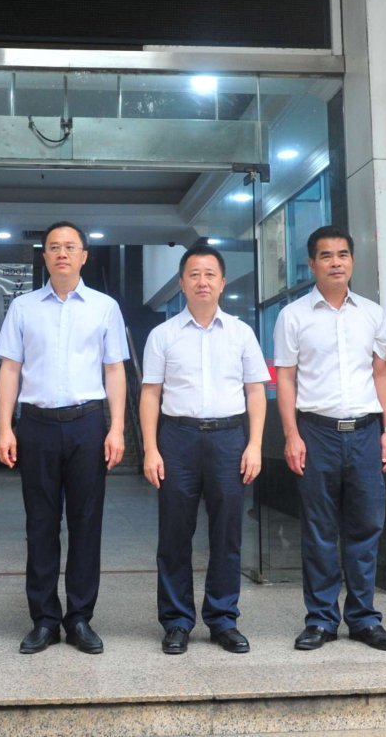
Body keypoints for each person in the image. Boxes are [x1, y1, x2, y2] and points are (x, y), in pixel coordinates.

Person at [0, 221, 128, 655]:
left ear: (84, 256)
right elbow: (10, 368)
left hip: (88, 424)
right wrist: (4, 427)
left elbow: (114, 370)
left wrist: (117, 428)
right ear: (45, 256)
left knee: (87, 524)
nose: (62, 253)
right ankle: (44, 620)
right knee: (40, 525)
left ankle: (80, 618)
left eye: (70, 247)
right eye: (54, 247)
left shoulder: (104, 307)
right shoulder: (23, 307)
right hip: (36, 425)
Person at [273, 226, 386, 652]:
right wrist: (291, 434)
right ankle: (321, 619)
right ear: (312, 264)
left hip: (365, 432)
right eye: (326, 256)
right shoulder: (293, 316)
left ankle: (363, 619)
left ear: (352, 261)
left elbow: (380, 373)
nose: (336, 262)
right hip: (316, 433)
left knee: (366, 528)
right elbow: (286, 379)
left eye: (343, 254)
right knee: (319, 531)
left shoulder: (372, 314)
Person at [140, 242, 269, 654]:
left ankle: (223, 619)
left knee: (227, 533)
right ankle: (177, 621)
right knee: (174, 534)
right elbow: (150, 394)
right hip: (177, 439)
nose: (202, 281)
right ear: (181, 283)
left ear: (222, 282)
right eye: (194, 274)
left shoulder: (241, 333)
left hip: (229, 439)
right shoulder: (162, 335)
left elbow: (255, 392)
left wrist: (254, 445)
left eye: (210, 274)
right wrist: (150, 449)